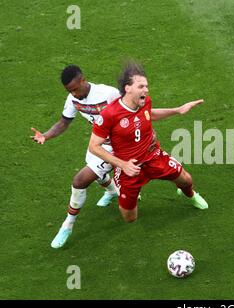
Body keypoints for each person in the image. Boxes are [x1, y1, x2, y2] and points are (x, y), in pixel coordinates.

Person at [89, 62, 208, 224]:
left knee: (186, 180)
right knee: (129, 218)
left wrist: (178, 110)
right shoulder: (109, 114)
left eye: (146, 86)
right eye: (141, 86)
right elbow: (94, 146)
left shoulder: (144, 102)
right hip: (129, 169)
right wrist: (122, 164)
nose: (146, 89)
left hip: (153, 156)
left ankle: (191, 195)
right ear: (127, 88)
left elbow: (149, 114)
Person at [31, 65, 123, 249]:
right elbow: (64, 122)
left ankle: (68, 225)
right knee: (96, 173)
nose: (73, 93)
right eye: (69, 91)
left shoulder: (109, 93)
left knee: (79, 181)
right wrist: (45, 136)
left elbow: (131, 111)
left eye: (74, 89)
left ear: (83, 80)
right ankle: (113, 192)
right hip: (97, 145)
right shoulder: (73, 99)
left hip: (117, 146)